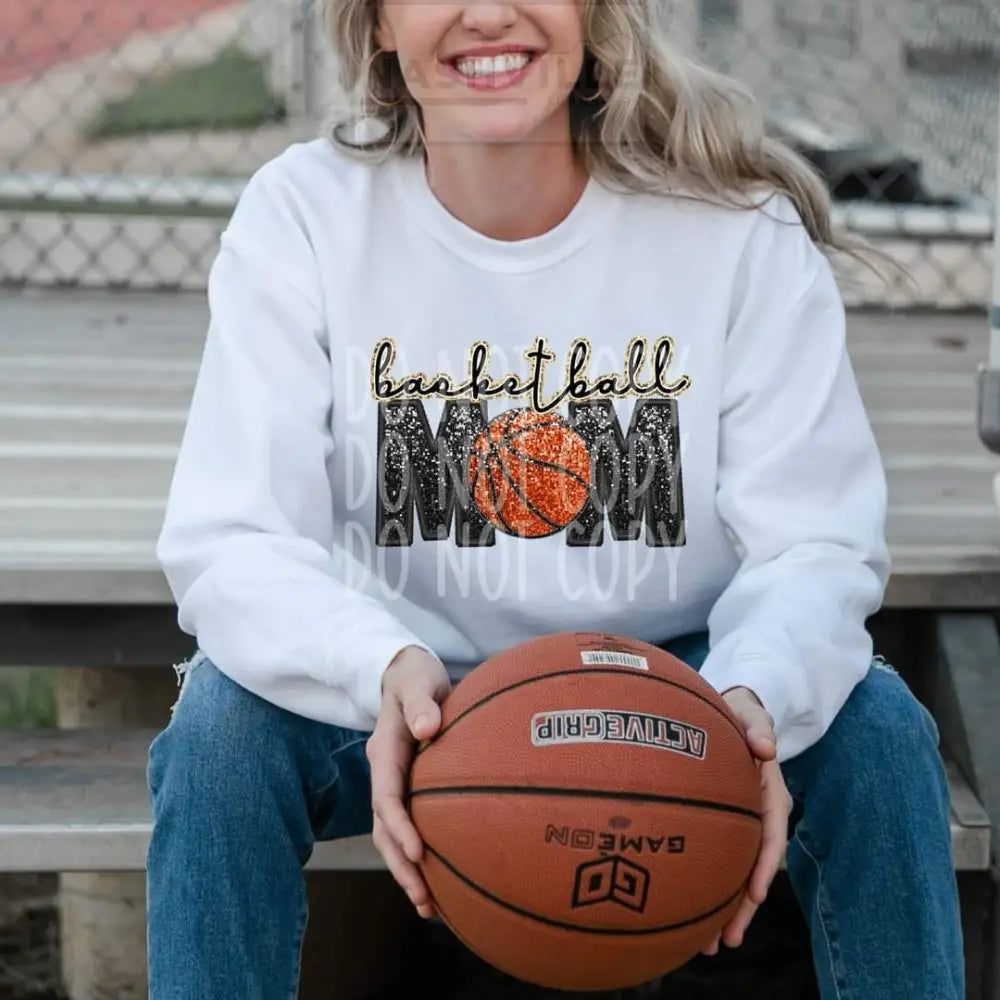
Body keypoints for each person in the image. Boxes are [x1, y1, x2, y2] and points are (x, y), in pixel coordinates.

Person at [145, 0, 964, 996]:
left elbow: (816, 544)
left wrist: (751, 698)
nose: (487, 13)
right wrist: (377, 662)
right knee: (220, 738)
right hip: (424, 683)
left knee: (877, 734)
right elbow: (232, 535)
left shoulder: (731, 227)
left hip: (677, 676)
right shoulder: (307, 215)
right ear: (378, 25)